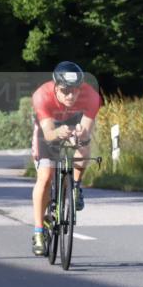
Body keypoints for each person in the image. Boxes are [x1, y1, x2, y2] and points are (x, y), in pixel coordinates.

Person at [30, 62, 101, 256]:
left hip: (73, 122)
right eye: (65, 91)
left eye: (76, 90)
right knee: (45, 176)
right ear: (55, 87)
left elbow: (86, 131)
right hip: (48, 127)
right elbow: (49, 134)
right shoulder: (41, 96)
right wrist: (59, 132)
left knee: (84, 146)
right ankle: (38, 231)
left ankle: (75, 186)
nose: (71, 95)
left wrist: (78, 136)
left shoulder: (92, 97)